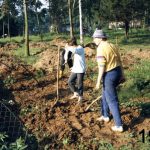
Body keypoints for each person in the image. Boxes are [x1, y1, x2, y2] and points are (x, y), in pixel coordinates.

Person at [92, 29, 125, 132]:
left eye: (95, 38)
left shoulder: (101, 48)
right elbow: (120, 61)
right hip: (117, 71)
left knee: (112, 100)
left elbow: (101, 67)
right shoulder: (112, 45)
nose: (94, 40)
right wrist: (122, 75)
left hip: (109, 74)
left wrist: (97, 82)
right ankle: (105, 115)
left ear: (100, 38)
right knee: (105, 94)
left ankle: (119, 125)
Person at [64, 37, 86, 104]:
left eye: (69, 44)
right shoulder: (73, 48)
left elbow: (74, 51)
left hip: (81, 69)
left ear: (72, 43)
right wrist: (66, 59)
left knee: (79, 83)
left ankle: (81, 97)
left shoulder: (80, 48)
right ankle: (76, 93)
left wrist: (67, 47)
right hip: (75, 68)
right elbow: (67, 53)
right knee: (70, 82)